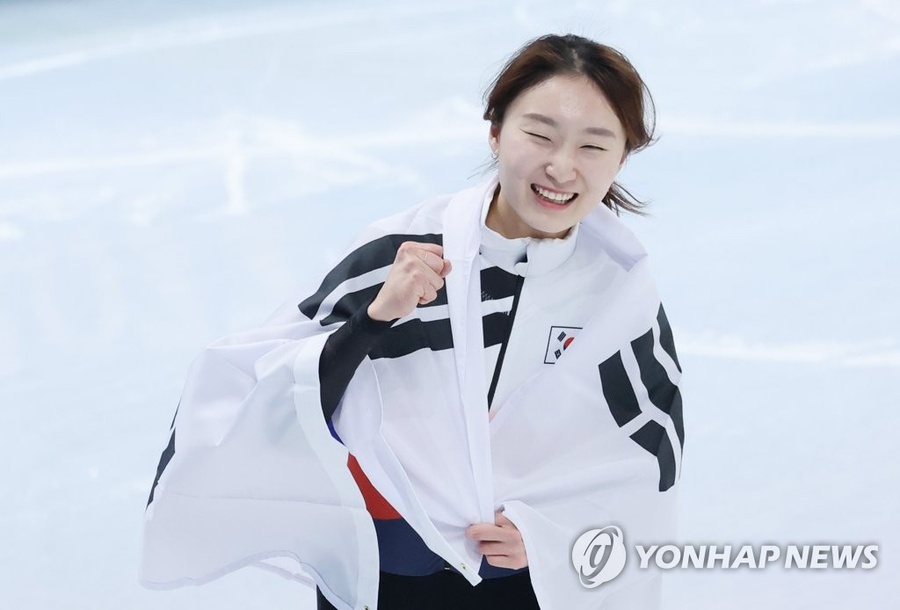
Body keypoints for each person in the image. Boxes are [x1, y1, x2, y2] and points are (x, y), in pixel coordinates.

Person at [140, 34, 684, 610]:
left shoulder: (618, 292)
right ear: (495, 131)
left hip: (521, 587)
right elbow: (270, 400)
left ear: (622, 158)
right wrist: (374, 319)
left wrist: (551, 536)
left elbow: (644, 461)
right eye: (540, 134)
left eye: (594, 146)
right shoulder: (402, 253)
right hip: (388, 578)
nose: (561, 167)